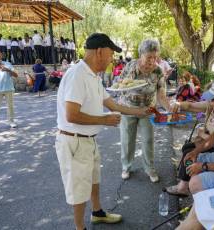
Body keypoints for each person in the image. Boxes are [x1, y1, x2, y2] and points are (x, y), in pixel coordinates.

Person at [55, 33, 150, 230]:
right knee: (79, 189)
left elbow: (112, 103)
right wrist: (104, 120)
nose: (111, 59)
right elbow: (71, 115)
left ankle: (97, 213)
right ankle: (79, 227)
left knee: (93, 180)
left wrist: (140, 111)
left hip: (87, 140)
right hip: (74, 141)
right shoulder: (77, 74)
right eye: (110, 54)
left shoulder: (93, 77)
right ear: (99, 52)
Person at [119, 39, 171, 182]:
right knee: (127, 140)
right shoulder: (130, 66)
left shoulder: (158, 71)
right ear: (141, 54)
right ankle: (126, 166)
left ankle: (149, 169)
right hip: (128, 109)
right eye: (149, 57)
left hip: (147, 110)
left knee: (148, 140)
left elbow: (161, 94)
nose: (152, 60)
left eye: (155, 57)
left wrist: (170, 109)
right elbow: (119, 84)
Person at [166, 97, 214, 196]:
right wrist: (178, 104)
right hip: (207, 141)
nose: (209, 101)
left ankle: (182, 187)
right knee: (187, 147)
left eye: (212, 99)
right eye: (210, 99)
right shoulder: (210, 105)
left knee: (189, 151)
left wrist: (202, 134)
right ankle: (186, 177)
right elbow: (190, 105)